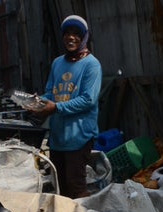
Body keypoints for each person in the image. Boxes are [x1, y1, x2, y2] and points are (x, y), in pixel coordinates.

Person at [26, 15, 102, 199]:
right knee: (60, 187)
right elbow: (50, 93)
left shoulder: (91, 64)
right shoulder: (57, 63)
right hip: (58, 136)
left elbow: (87, 99)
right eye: (67, 33)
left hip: (79, 136)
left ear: (84, 37)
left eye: (76, 34)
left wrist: (55, 108)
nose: (71, 37)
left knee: (76, 187)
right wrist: (37, 103)